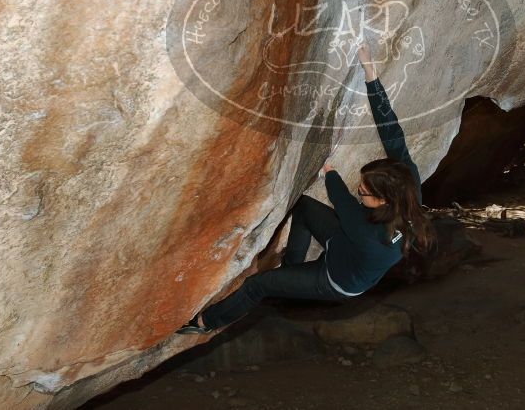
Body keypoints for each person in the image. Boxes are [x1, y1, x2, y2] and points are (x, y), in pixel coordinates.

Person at [177, 41, 433, 334]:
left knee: (259, 284)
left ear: (381, 201)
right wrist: (370, 74)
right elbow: (393, 133)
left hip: (336, 278)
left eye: (363, 190)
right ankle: (292, 269)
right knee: (303, 207)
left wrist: (330, 173)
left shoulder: (372, 238)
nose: (358, 189)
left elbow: (345, 205)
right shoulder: (407, 185)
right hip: (343, 243)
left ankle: (205, 323)